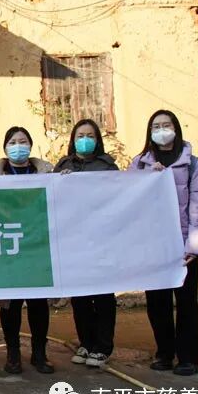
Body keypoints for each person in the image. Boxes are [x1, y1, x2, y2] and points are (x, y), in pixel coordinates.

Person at [129, 110, 198, 376]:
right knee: (157, 302)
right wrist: (147, 180)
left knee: (186, 302)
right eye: (156, 126)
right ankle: (164, 353)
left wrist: (194, 246)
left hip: (182, 247)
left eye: (166, 125)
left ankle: (188, 358)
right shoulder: (140, 164)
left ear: (176, 129)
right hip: (152, 246)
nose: (161, 130)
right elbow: (129, 201)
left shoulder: (194, 166)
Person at [0, 126, 55, 374]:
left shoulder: (47, 173)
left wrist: (65, 180)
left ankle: (39, 353)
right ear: (5, 148)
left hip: (37, 246)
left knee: (38, 303)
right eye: (12, 142)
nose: (18, 146)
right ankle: (12, 353)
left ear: (30, 145)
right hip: (8, 247)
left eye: (23, 141)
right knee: (10, 304)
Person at [53, 119, 119, 369]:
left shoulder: (107, 167)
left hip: (101, 240)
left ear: (97, 139)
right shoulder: (63, 166)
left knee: (103, 295)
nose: (85, 140)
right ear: (73, 139)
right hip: (73, 240)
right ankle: (86, 342)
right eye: (80, 135)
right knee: (79, 295)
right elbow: (52, 198)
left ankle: (103, 346)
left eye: (90, 135)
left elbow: (119, 197)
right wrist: (60, 181)